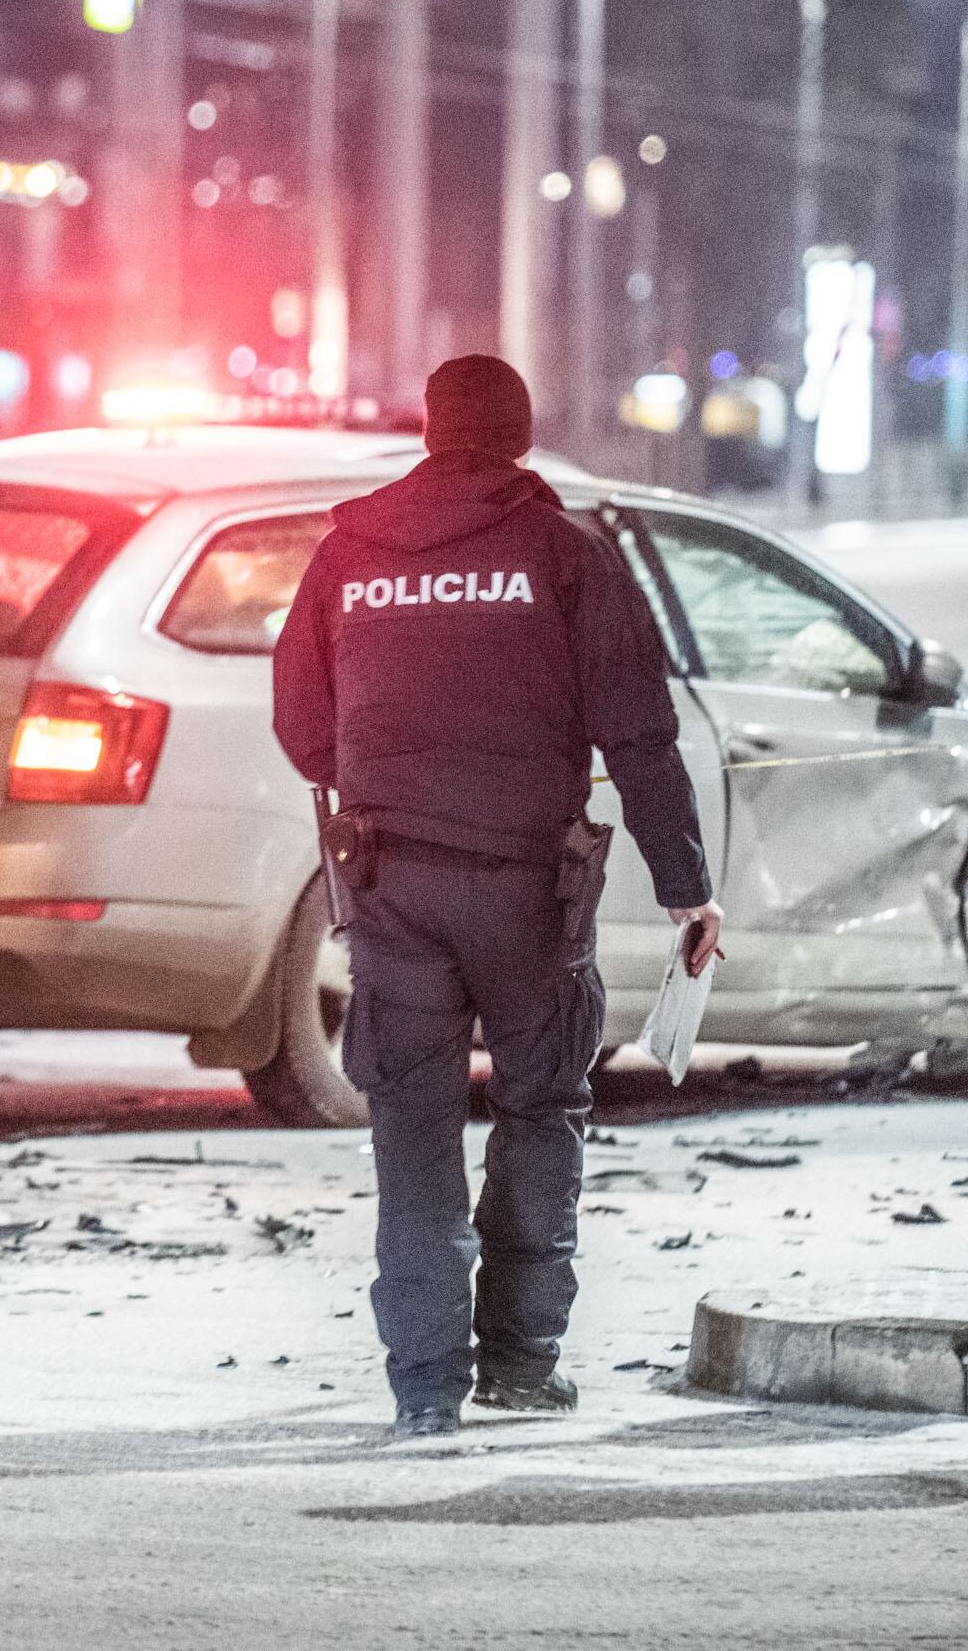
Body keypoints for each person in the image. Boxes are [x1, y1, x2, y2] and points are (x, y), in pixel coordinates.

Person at [272, 354, 725, 1441]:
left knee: (411, 1125)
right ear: (520, 434)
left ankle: (424, 1382)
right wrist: (684, 886)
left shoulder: (348, 555)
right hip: (528, 884)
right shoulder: (561, 552)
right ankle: (520, 1361)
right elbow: (638, 730)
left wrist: (388, 766)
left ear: (428, 429)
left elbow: (299, 724)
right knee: (539, 1107)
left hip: (389, 883)